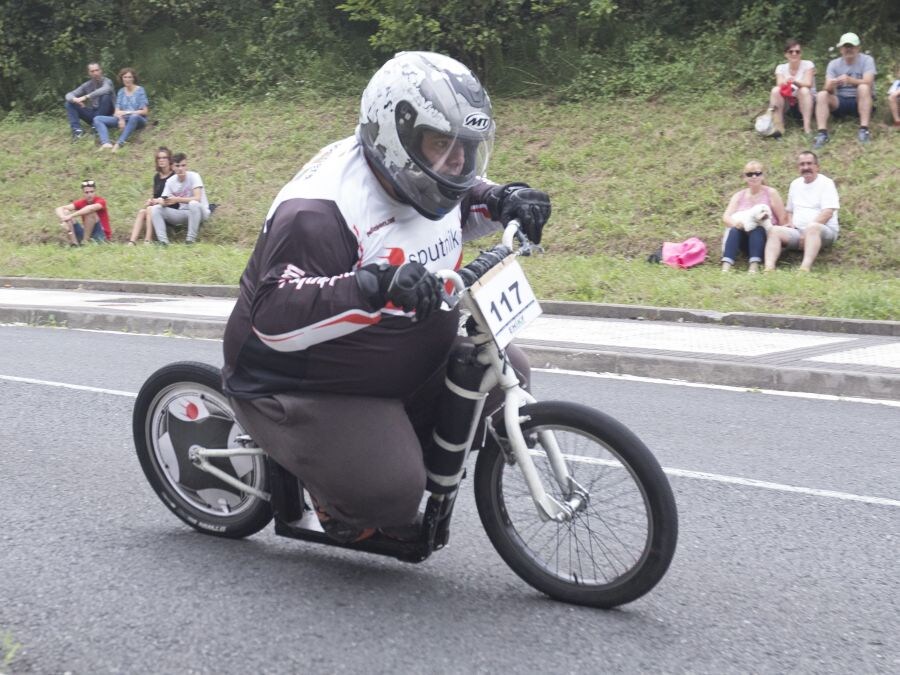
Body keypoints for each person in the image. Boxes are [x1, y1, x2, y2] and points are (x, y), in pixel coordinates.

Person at [221, 51, 551, 543]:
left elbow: (460, 204)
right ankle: (331, 490)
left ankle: (384, 446)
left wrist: (506, 200)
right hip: (305, 379)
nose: (457, 163)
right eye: (442, 145)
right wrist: (373, 286)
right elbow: (274, 314)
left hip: (395, 359)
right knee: (392, 496)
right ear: (395, 137)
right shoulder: (317, 211)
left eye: (466, 147)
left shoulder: (419, 174)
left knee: (504, 373)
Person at [764, 151, 839, 272]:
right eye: (802, 164)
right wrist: (791, 223)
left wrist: (808, 230)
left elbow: (828, 213)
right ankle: (769, 268)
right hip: (799, 232)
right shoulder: (795, 184)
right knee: (774, 230)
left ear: (817, 166)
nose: (806, 167)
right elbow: (790, 210)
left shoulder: (826, 183)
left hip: (823, 231)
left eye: (809, 164)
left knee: (813, 228)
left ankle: (804, 268)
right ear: (798, 167)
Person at [721, 161, 787, 273]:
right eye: (749, 174)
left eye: (757, 173)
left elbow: (782, 219)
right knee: (734, 230)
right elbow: (726, 217)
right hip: (744, 238)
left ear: (762, 175)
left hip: (766, 240)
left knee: (758, 229)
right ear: (744, 177)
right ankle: (726, 267)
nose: (754, 177)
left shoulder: (771, 193)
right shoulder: (738, 196)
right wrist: (736, 223)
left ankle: (754, 266)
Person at [814, 32, 876, 148]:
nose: (849, 49)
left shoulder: (867, 60)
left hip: (861, 99)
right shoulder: (833, 64)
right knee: (822, 95)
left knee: (863, 87)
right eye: (845, 47)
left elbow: (869, 82)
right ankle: (822, 133)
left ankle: (864, 130)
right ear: (840, 49)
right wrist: (831, 85)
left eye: (851, 46)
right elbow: (827, 89)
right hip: (841, 101)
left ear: (858, 48)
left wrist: (850, 80)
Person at [149, 153, 210, 244]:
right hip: (183, 213)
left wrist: (177, 199)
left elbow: (197, 198)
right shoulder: (170, 181)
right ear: (173, 167)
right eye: (177, 166)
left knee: (193, 204)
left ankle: (190, 240)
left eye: (183, 165)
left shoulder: (194, 176)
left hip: (200, 212)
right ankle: (163, 242)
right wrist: (157, 201)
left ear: (186, 166)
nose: (180, 168)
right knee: (155, 209)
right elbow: (163, 199)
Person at [93, 68, 149, 152]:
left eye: (130, 77)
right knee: (97, 119)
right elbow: (116, 111)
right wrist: (121, 119)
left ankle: (119, 143)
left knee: (134, 117)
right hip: (124, 118)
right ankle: (106, 143)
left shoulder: (140, 90)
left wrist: (128, 112)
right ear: (122, 78)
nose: (127, 79)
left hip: (138, 119)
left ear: (133, 78)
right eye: (125, 77)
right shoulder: (121, 92)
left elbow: (145, 111)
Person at [768, 39, 816, 136]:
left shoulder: (808, 65)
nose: (794, 54)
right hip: (789, 104)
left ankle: (807, 128)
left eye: (797, 51)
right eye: (791, 51)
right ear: (786, 54)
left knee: (804, 90)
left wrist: (795, 81)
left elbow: (808, 83)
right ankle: (779, 127)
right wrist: (785, 82)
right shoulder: (780, 68)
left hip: (807, 102)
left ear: (801, 53)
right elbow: (779, 83)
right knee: (775, 90)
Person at [128, 147, 174, 245]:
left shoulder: (173, 176)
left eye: (164, 157)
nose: (161, 160)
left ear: (169, 160)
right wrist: (151, 200)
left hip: (170, 208)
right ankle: (132, 242)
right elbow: (156, 196)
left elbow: (170, 198)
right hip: (158, 206)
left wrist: (155, 202)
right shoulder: (157, 177)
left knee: (150, 209)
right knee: (142, 212)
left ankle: (148, 240)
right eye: (159, 158)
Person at [64, 63, 114, 140]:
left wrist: (86, 97)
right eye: (92, 71)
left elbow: (105, 89)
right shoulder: (87, 85)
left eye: (97, 70)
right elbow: (69, 94)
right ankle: (77, 131)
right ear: (89, 73)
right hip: (94, 113)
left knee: (106, 96)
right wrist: (75, 100)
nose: (95, 73)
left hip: (108, 115)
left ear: (101, 71)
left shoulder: (107, 81)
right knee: (69, 103)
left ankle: (96, 127)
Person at [54, 179, 112, 246]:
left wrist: (71, 216)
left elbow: (90, 208)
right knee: (66, 212)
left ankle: (84, 243)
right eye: (86, 192)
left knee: (90, 213)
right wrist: (63, 217)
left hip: (101, 236)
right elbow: (59, 208)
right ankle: (74, 244)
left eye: (91, 192)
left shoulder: (101, 201)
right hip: (87, 234)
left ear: (95, 192)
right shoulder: (82, 202)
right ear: (83, 193)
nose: (89, 194)